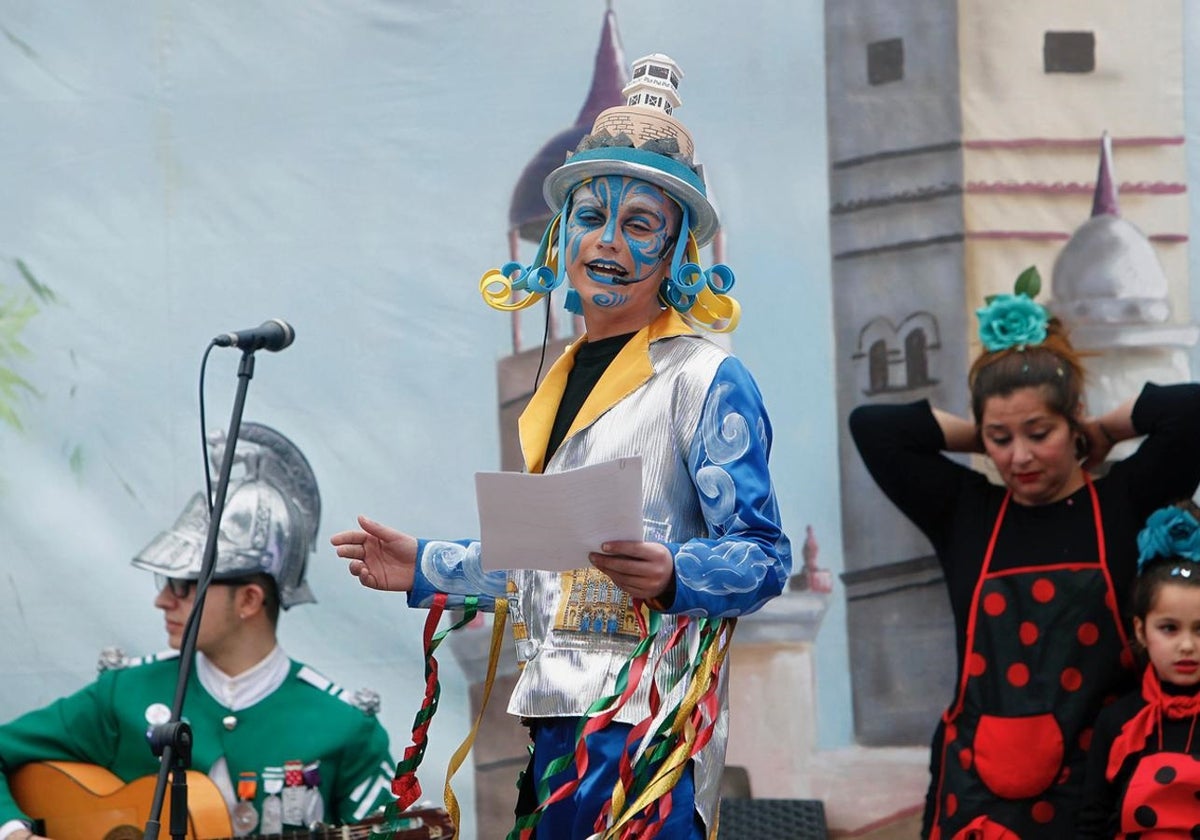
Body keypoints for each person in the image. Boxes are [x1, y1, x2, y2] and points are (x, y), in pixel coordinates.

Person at [331, 53, 791, 840]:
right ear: (559, 238)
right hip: (553, 721)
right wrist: (429, 565)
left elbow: (763, 554)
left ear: (676, 253)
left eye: (640, 224)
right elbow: (555, 564)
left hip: (649, 734)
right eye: (590, 217)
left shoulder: (707, 376)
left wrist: (677, 571)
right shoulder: (557, 381)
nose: (608, 241)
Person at [848, 277, 1200, 839]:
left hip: (1093, 789)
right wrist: (988, 430)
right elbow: (873, 428)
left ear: (1072, 419)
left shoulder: (1122, 502)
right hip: (974, 800)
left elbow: (1193, 412)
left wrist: (1105, 430)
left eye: (1040, 433)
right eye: (1001, 440)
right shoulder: (965, 512)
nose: (1020, 457)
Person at [0, 423, 397, 839]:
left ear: (248, 601)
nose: (163, 601)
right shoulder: (124, 694)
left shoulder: (344, 726)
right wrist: (15, 833)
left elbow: (391, 828)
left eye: (185, 587)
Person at [1078, 500, 1200, 838]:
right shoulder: (1118, 721)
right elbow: (1092, 823)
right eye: (1169, 628)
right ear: (1140, 630)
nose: (1187, 645)